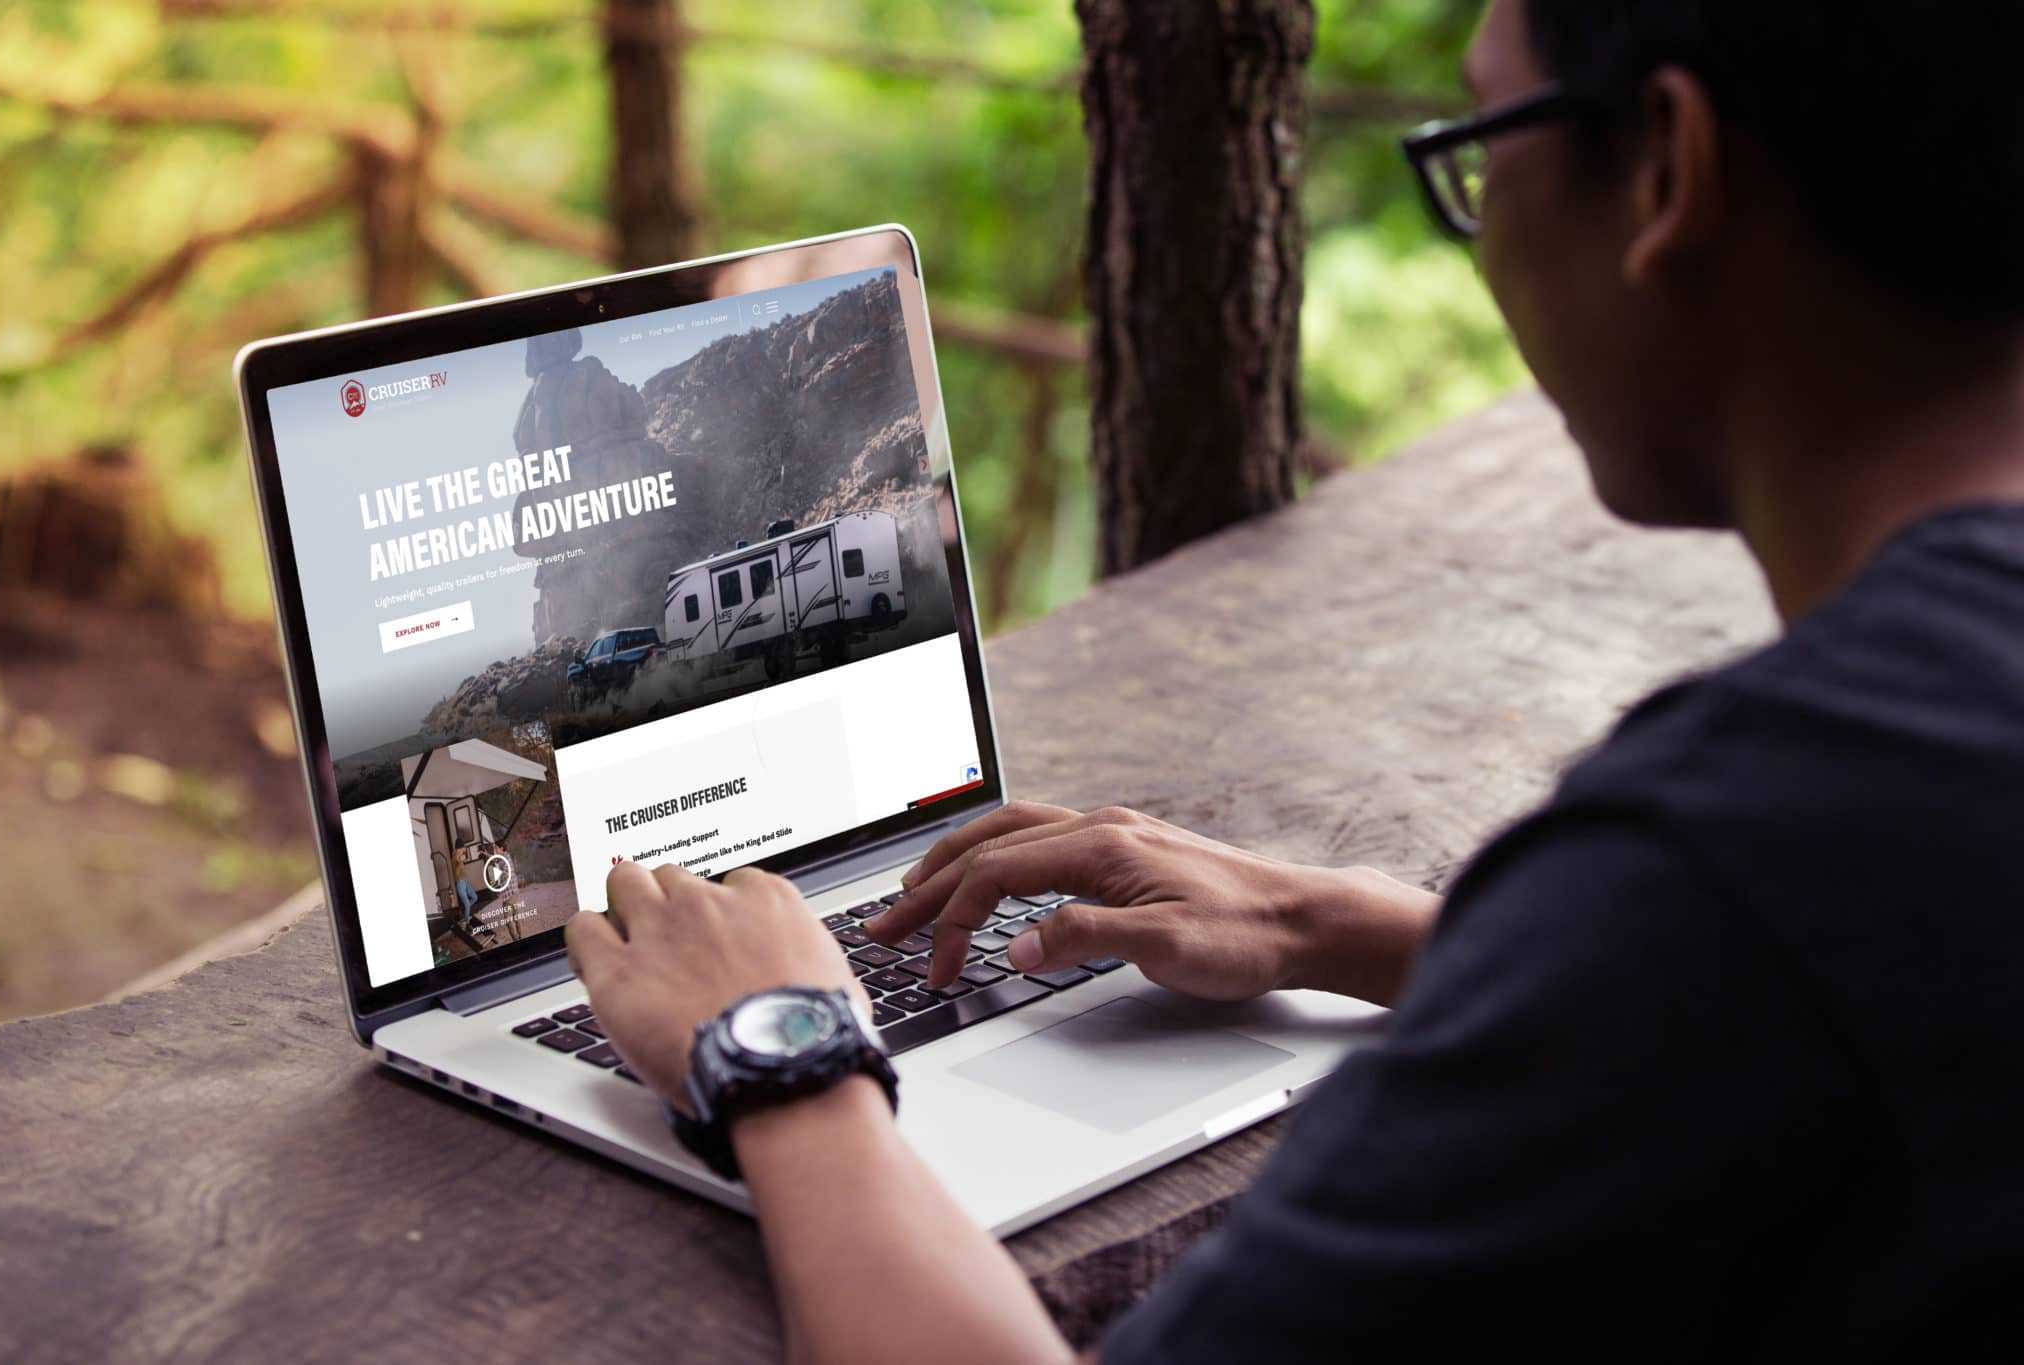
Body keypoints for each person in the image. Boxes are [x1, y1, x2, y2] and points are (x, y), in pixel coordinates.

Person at [564, 1, 2024, 1358]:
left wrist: (787, 1055)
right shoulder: (1869, 798)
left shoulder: (1743, 849)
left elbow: (1745, 933)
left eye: (1480, 143)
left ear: (1667, 175)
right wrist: (1333, 920)